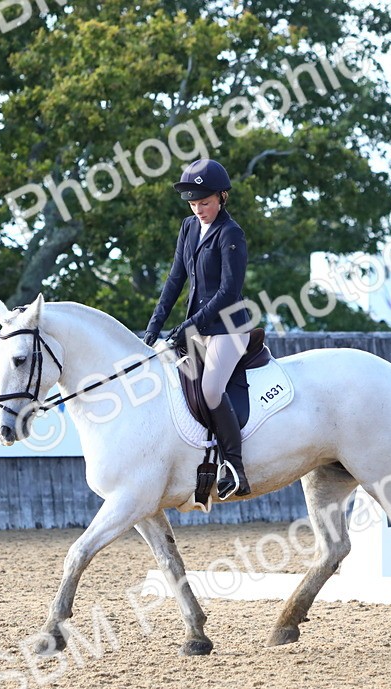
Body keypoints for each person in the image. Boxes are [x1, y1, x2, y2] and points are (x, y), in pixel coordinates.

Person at [143, 158, 253, 499]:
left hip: (228, 328)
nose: (199, 209)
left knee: (209, 390)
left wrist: (189, 325)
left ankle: (235, 467)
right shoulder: (189, 227)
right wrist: (154, 325)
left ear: (222, 198)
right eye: (193, 203)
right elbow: (175, 279)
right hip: (198, 328)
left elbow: (228, 293)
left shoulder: (231, 234)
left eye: (204, 202)